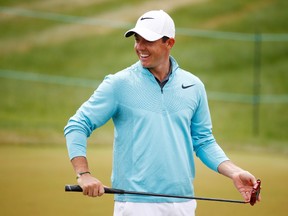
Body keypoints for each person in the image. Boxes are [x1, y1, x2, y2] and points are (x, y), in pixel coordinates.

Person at [64, 10, 260, 216]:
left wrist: (235, 172)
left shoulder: (193, 86)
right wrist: (83, 174)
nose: (140, 47)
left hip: (183, 203)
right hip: (135, 205)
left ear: (169, 43)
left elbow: (203, 141)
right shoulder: (118, 84)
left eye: (148, 40)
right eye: (137, 40)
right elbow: (77, 124)